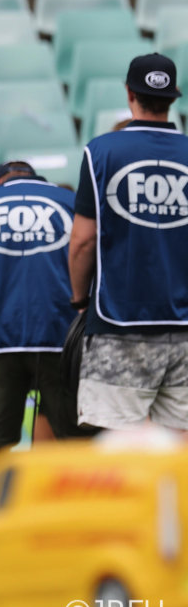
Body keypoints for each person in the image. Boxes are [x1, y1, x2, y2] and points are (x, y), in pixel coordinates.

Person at [69, 53, 188, 434]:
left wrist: (78, 301)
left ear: (128, 93)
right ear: (173, 98)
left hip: (119, 322)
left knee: (116, 452)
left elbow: (82, 242)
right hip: (185, 323)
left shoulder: (101, 151)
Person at [0, 161, 84, 480]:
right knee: (77, 445)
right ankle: (82, 524)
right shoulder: (71, 202)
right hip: (60, 337)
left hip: (0, 339)